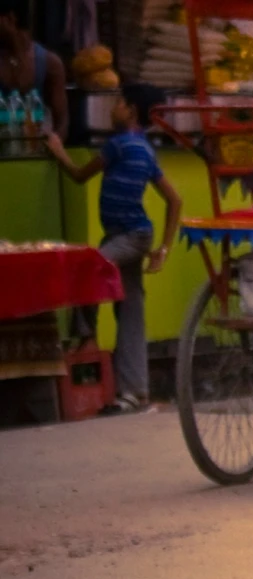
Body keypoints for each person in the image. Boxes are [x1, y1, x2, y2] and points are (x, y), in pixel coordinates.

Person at [43, 98, 180, 413]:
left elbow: (79, 175)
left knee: (90, 268)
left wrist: (58, 149)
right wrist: (162, 248)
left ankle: (85, 334)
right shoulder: (145, 149)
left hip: (129, 237)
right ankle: (134, 393)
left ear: (131, 111)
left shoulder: (119, 145)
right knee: (131, 312)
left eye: (117, 103)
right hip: (136, 236)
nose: (111, 108)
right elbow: (175, 200)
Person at [0, 0, 65, 132]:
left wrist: (53, 149)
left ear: (10, 18)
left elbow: (61, 121)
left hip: (35, 147)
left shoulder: (49, 63)